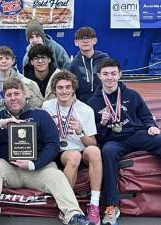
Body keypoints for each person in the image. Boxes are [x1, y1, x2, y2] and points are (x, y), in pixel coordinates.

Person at [0, 77, 94, 225]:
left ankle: (73, 215)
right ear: (4, 98)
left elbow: (53, 144)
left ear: (24, 95)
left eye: (17, 94)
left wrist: (34, 164)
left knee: (57, 176)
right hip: (11, 168)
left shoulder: (40, 115)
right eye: (9, 95)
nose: (13, 98)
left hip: (39, 169)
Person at [87, 58, 161, 225]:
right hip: (113, 140)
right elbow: (96, 135)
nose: (110, 77)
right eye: (105, 74)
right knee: (107, 151)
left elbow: (146, 116)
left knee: (160, 140)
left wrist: (151, 126)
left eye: (113, 73)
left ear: (120, 75)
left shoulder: (131, 94)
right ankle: (112, 206)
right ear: (99, 76)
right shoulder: (93, 102)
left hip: (136, 134)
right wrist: (103, 123)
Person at [42, 71, 102, 225]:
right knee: (74, 155)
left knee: (95, 151)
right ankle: (68, 207)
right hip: (60, 152)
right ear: (54, 90)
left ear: (73, 89)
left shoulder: (85, 109)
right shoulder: (47, 107)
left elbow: (92, 143)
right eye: (60, 87)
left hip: (82, 148)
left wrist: (80, 132)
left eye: (68, 87)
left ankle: (94, 204)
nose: (64, 91)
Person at [0, 45, 39, 114]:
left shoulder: (22, 79)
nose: (3, 61)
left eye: (7, 58)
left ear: (13, 61)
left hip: (19, 119)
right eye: (0, 58)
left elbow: (31, 105)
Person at [68, 27, 109, 104]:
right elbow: (72, 89)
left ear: (95, 40)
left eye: (88, 37)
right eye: (81, 38)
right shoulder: (73, 65)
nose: (85, 41)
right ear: (76, 42)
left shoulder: (105, 60)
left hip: (104, 102)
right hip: (82, 105)